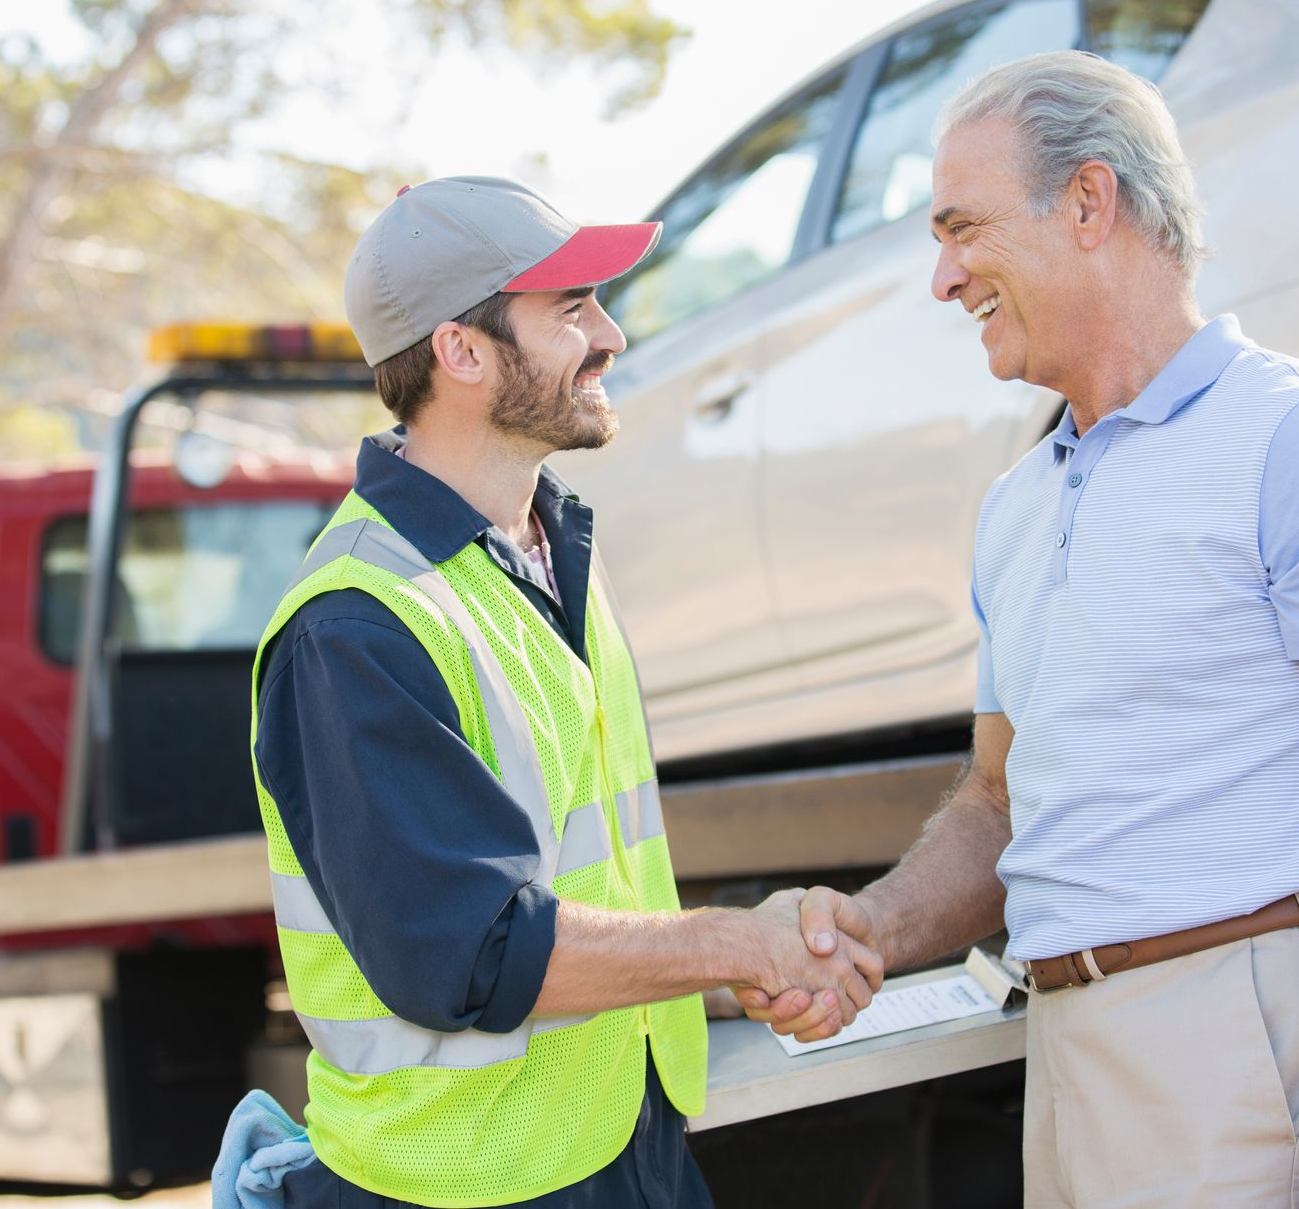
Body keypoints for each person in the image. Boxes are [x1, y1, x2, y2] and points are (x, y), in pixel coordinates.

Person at [740, 53, 1299, 1208]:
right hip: (1067, 1052)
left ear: (1091, 202)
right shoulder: (1018, 504)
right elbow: (1001, 803)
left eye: (963, 229)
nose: (944, 279)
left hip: (1251, 1039)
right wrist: (874, 926)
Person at [241, 176, 879, 1209]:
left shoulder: (549, 555)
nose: (612, 335)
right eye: (572, 309)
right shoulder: (356, 623)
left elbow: (597, 873)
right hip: (466, 1180)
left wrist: (725, 976)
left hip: (624, 1140)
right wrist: (734, 937)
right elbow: (470, 947)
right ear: (462, 351)